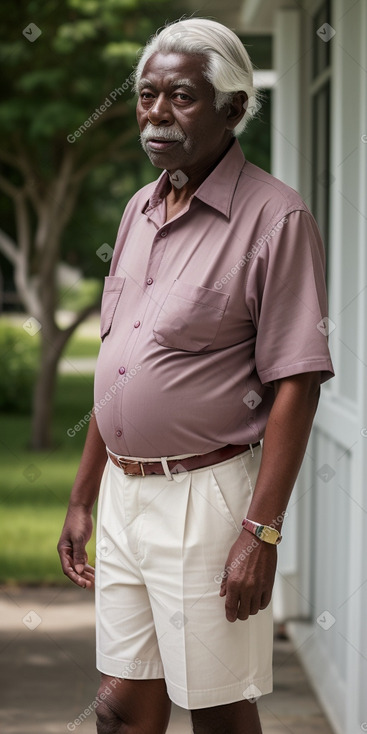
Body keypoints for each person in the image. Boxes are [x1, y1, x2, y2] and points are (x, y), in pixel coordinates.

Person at [58, 17, 334, 734]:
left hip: (206, 502)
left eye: (181, 96)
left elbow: (296, 383)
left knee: (216, 715)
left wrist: (260, 534)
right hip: (123, 494)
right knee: (119, 711)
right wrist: (85, 493)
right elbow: (119, 362)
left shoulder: (275, 219)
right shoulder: (136, 211)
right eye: (147, 94)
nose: (156, 112)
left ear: (233, 107)